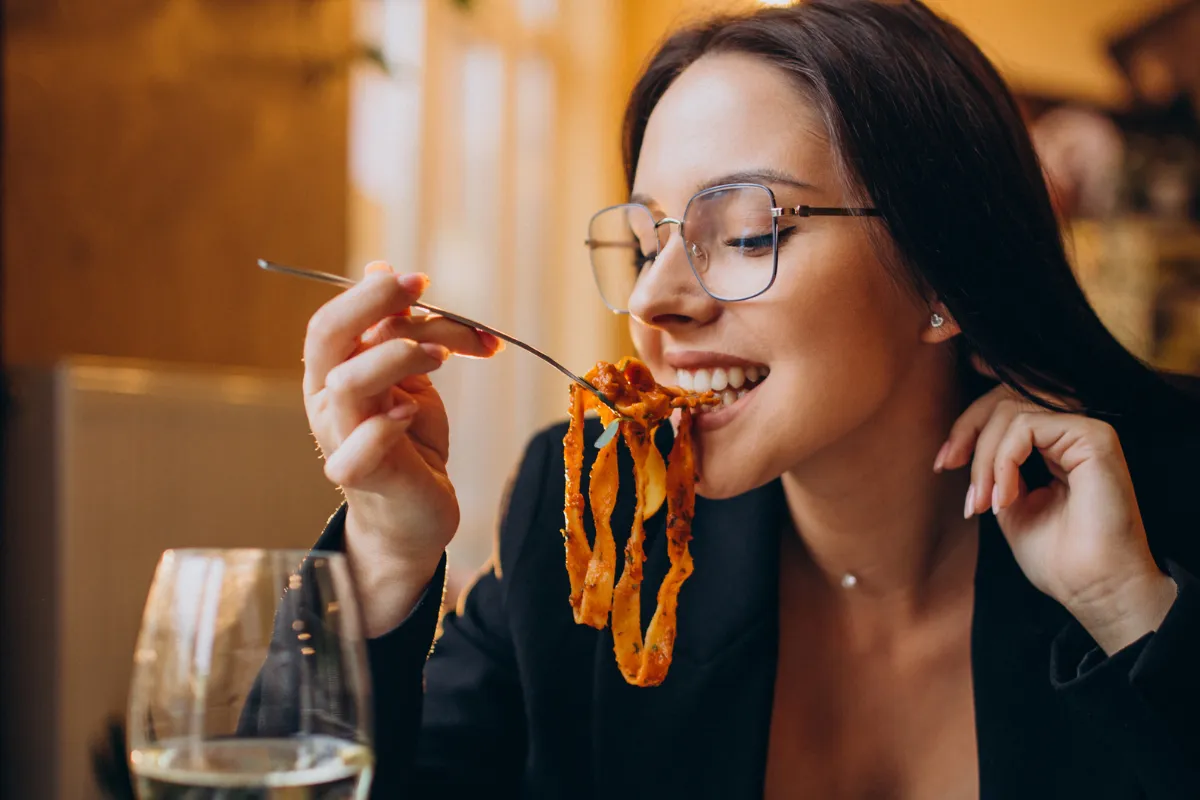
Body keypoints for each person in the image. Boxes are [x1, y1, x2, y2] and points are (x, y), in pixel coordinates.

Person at [281, 1, 1200, 797]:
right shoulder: (604, 537)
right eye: (647, 241)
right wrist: (380, 563)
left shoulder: (1165, 503)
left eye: (750, 230)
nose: (653, 299)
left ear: (942, 274)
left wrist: (1131, 614)